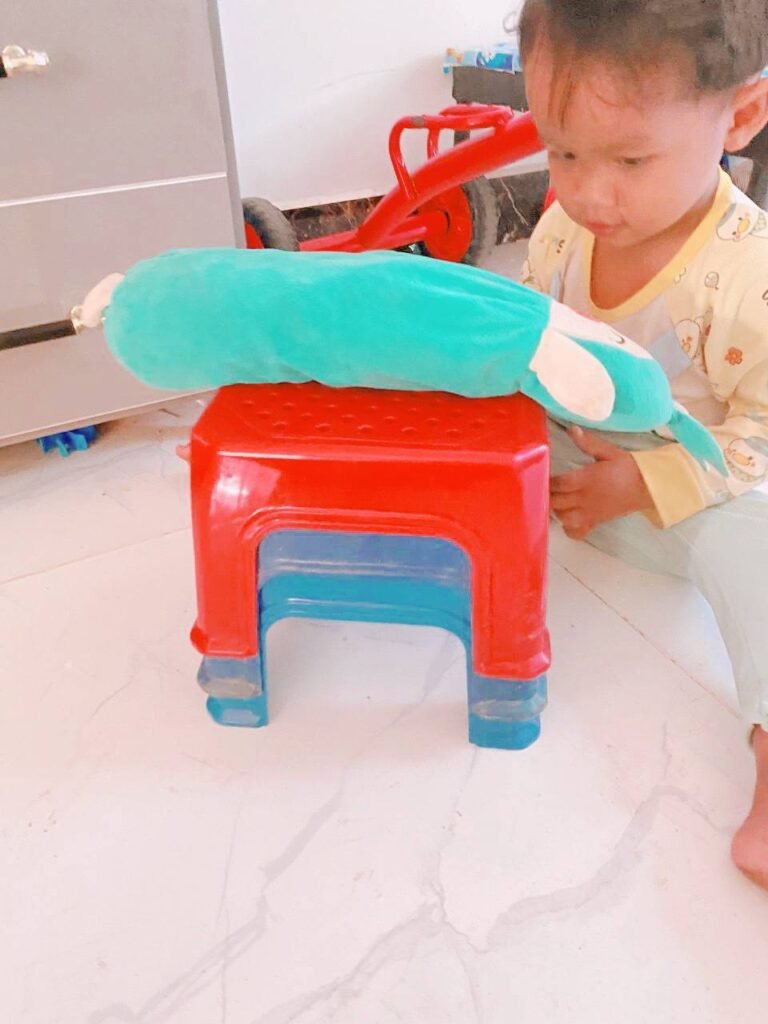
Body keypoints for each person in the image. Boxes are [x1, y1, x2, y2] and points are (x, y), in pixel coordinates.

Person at [516, 0, 768, 889]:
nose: (588, 193)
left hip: (700, 492)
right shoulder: (563, 228)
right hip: (567, 461)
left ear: (738, 117)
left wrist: (644, 482)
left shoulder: (748, 275)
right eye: (563, 150)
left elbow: (763, 439)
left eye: (629, 159)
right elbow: (529, 338)